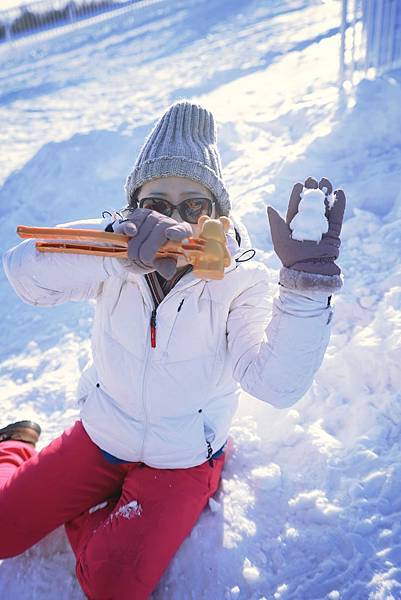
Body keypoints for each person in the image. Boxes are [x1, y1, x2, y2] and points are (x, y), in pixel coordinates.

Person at [0, 100, 346, 599]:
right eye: (157, 205)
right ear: (134, 209)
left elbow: (277, 383)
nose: (175, 221)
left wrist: (305, 292)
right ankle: (14, 444)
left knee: (111, 583)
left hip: (181, 461)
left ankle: (97, 510)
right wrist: (113, 248)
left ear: (217, 218)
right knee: (4, 529)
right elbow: (24, 273)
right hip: (101, 435)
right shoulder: (113, 261)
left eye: (193, 206)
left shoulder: (239, 281)